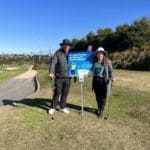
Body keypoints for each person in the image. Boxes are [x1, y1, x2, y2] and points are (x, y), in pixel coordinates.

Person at [48, 39, 72, 115]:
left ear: (69, 46)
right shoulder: (58, 53)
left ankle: (62, 107)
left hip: (68, 77)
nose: (66, 46)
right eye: (65, 45)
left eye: (68, 45)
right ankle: (53, 107)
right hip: (59, 77)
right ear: (62, 46)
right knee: (57, 92)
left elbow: (77, 63)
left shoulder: (72, 54)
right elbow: (53, 63)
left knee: (65, 93)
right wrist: (51, 72)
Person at [92, 47, 114, 117]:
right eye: (98, 53)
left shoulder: (108, 61)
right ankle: (99, 108)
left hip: (104, 81)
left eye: (101, 53)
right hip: (95, 80)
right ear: (97, 54)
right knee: (97, 96)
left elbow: (111, 71)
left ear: (103, 54)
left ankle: (101, 110)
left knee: (103, 97)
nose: (100, 55)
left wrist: (111, 78)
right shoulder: (95, 62)